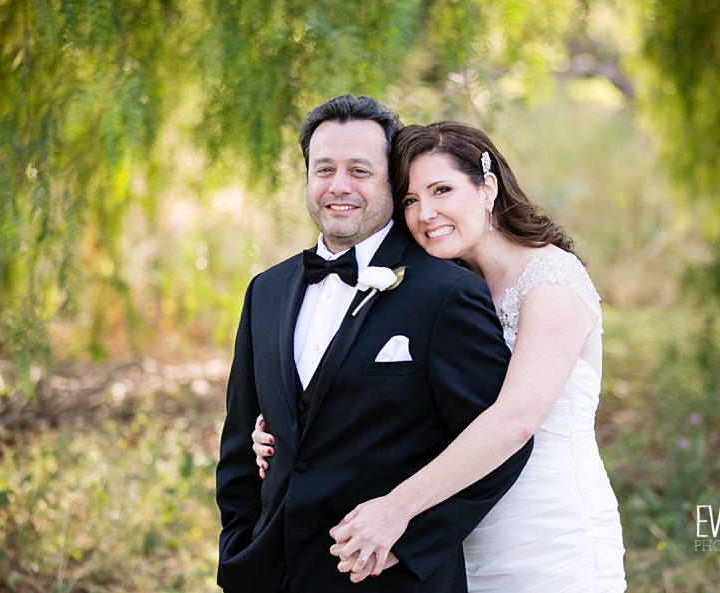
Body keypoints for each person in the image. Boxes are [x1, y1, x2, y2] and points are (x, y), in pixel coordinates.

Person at [254, 121, 627, 591]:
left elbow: (516, 420)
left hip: (547, 534)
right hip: (458, 536)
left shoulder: (551, 280)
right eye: (410, 200)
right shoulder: (443, 289)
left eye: (442, 190)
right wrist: (286, 429)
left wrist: (396, 509)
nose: (426, 213)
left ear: (487, 187)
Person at [215, 98, 532, 593]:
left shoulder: (445, 292)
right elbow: (240, 441)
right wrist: (238, 546)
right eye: (325, 169)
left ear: (392, 181)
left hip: (391, 579)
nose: (339, 186)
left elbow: (500, 448)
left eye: (360, 170)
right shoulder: (266, 291)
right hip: (274, 575)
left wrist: (409, 546)